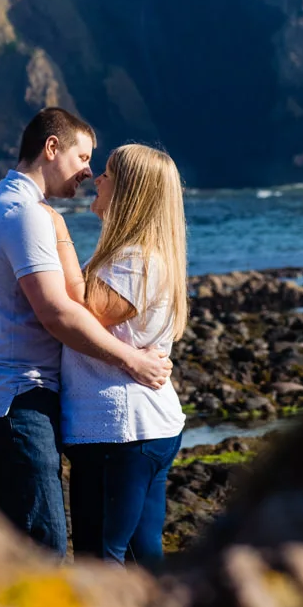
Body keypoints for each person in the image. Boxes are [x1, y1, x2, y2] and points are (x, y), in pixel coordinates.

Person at [0, 108, 172, 558]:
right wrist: (134, 361)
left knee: (43, 547)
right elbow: (59, 312)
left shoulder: (15, 206)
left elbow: (74, 306)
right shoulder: (26, 214)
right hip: (13, 398)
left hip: (8, 397)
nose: (90, 172)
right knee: (44, 552)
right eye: (84, 157)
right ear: (52, 148)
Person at [54, 143, 188, 571]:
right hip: (141, 429)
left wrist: (55, 229)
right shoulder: (137, 256)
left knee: (101, 560)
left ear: (130, 193)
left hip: (121, 430)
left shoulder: (135, 260)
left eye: (108, 174)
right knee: (141, 558)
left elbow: (77, 312)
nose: (97, 178)